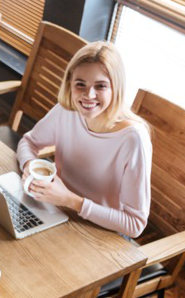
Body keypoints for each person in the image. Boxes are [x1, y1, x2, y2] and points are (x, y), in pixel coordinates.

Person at [17, 41, 152, 239]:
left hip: (98, 233)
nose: (88, 95)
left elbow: (135, 224)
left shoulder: (133, 139)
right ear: (70, 83)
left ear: (117, 88)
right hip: (57, 211)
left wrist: (72, 201)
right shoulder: (68, 110)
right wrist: (29, 164)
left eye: (101, 86)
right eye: (80, 84)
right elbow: (28, 142)